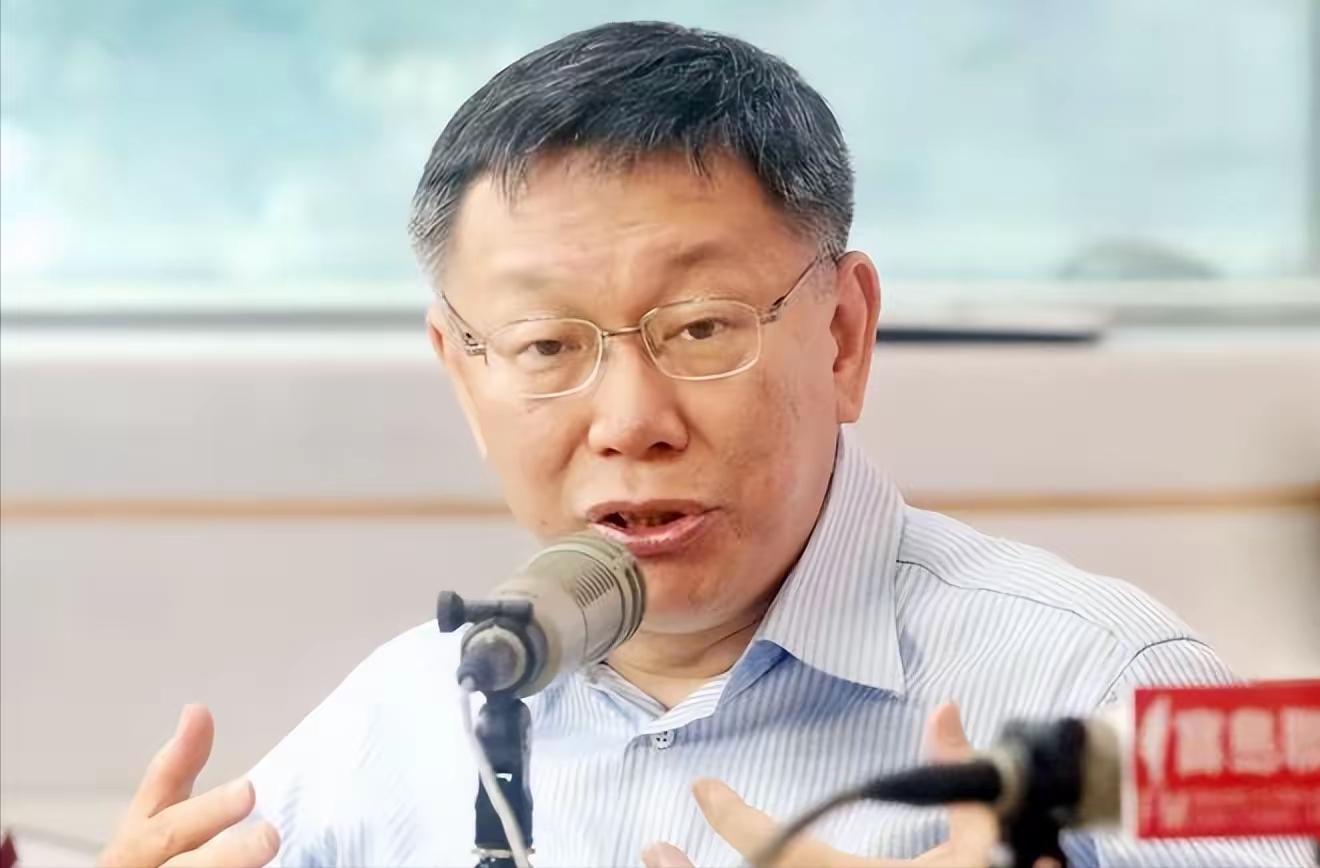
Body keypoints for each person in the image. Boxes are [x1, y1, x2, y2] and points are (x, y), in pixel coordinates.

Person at [97, 21, 1311, 868]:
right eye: (545, 345)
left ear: (843, 336)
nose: (631, 420)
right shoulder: (398, 720)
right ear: (463, 375)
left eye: (699, 327)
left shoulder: (1108, 681)